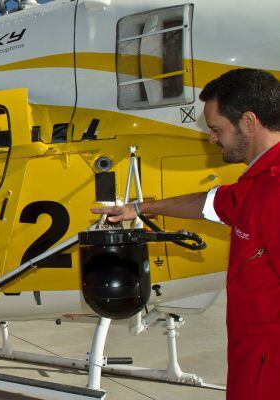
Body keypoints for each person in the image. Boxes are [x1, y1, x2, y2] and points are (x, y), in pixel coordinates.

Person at [92, 68, 280, 400]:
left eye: (216, 129)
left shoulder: (274, 190)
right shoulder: (255, 186)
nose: (212, 138)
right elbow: (208, 203)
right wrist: (139, 209)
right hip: (253, 360)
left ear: (249, 122)